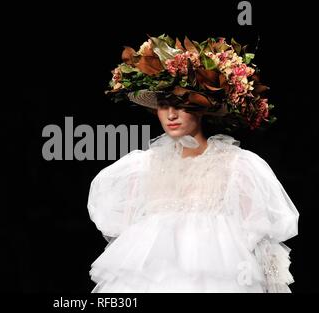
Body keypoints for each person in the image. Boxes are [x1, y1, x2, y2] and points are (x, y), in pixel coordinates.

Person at [87, 35, 299, 292]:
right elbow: (128, 240)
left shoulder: (237, 165)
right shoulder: (141, 168)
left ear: (201, 107)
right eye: (164, 106)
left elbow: (262, 243)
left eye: (181, 105)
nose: (171, 115)